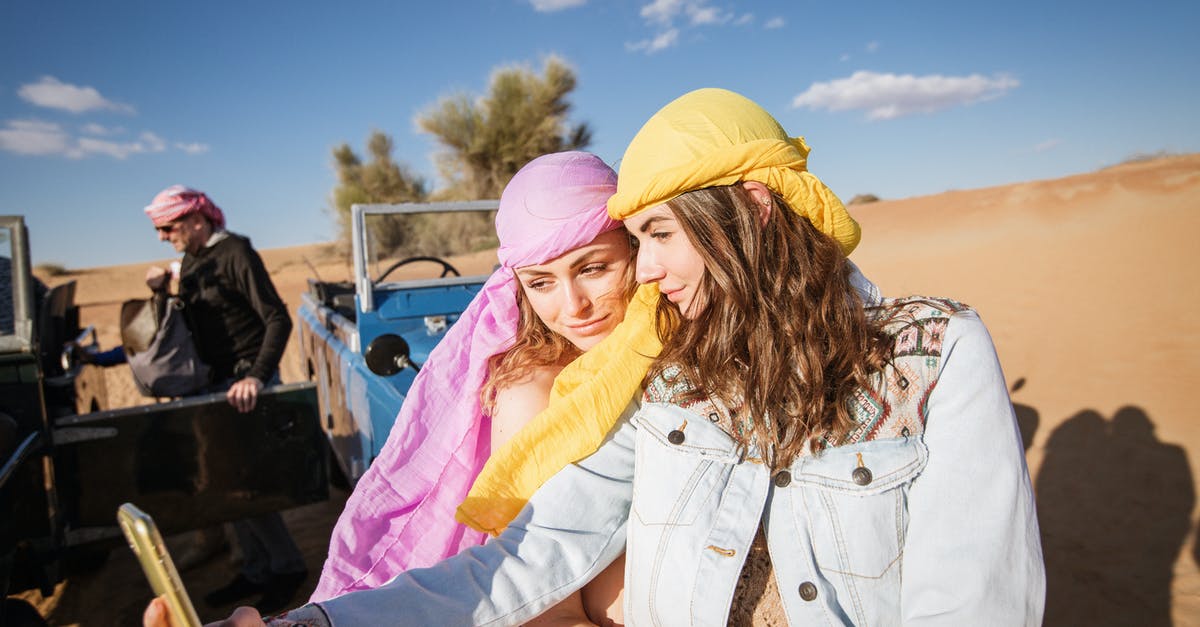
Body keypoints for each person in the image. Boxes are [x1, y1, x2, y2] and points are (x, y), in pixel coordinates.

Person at [161, 88, 1044, 626]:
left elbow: (975, 604)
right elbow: (527, 555)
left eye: (653, 235)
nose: (645, 270)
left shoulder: (931, 356)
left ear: (755, 209)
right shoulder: (674, 378)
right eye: (639, 238)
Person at [309, 151, 638, 625]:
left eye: (593, 268)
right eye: (541, 282)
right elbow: (544, 604)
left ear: (634, 248)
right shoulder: (536, 392)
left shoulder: (664, 355)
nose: (574, 306)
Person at [142, 185, 310, 614]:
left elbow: (276, 317)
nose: (162, 236)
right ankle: (254, 570)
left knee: (247, 484)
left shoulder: (235, 252)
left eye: (168, 226)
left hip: (244, 385)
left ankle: (287, 568)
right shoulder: (192, 261)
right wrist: (162, 291)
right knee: (226, 484)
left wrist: (256, 376)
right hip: (214, 387)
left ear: (196, 219)